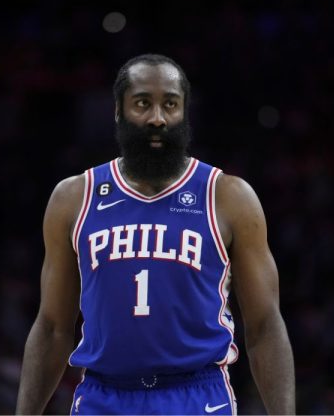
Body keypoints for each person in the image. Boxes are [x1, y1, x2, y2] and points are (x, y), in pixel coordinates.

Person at [16, 54, 295, 415]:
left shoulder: (228, 196)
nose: (157, 118)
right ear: (118, 110)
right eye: (143, 103)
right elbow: (53, 327)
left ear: (185, 112)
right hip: (103, 396)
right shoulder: (74, 198)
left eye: (171, 105)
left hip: (197, 395)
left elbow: (265, 325)